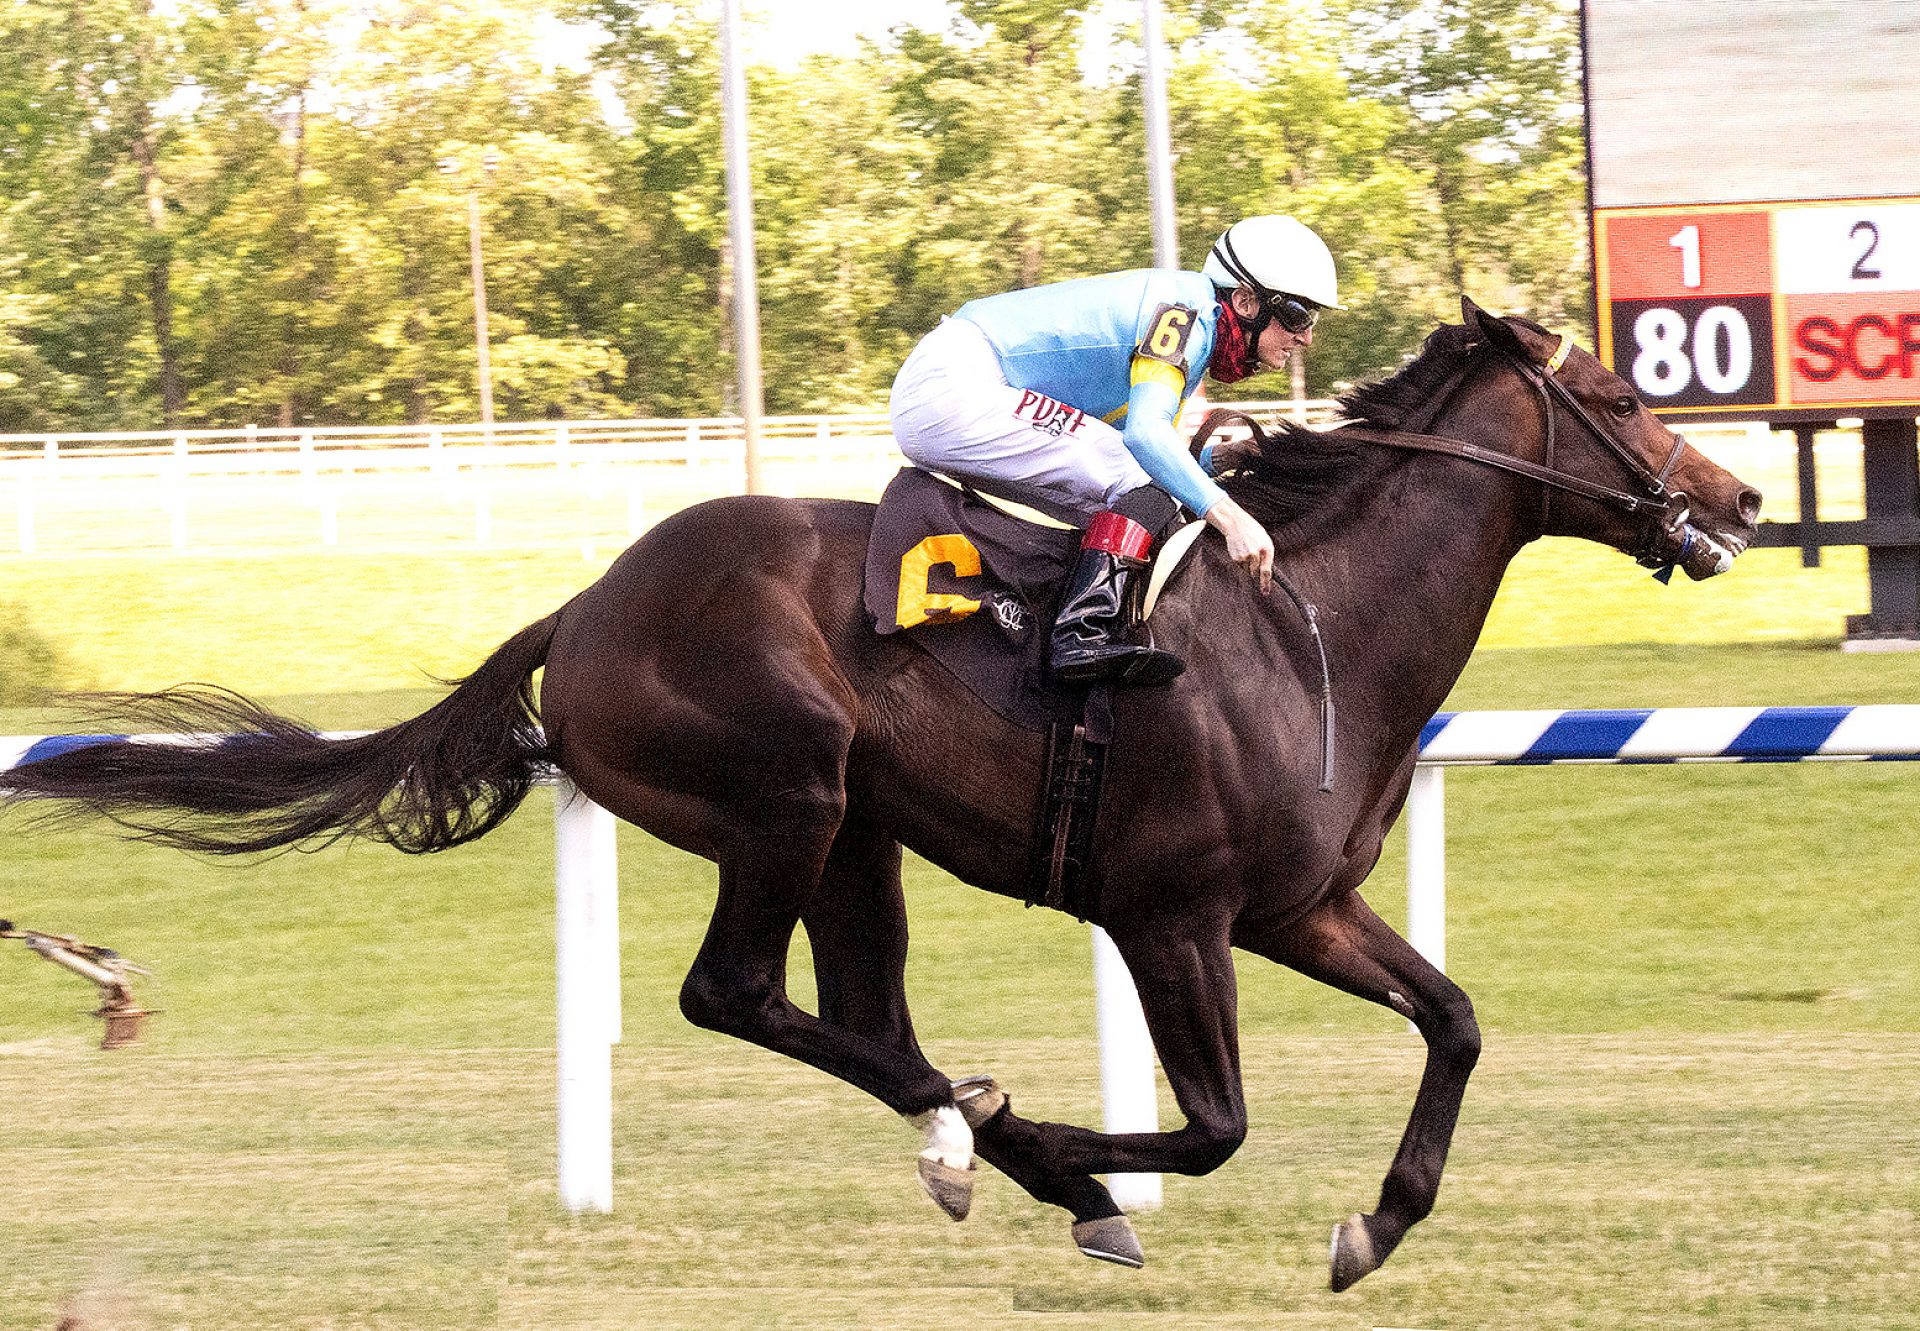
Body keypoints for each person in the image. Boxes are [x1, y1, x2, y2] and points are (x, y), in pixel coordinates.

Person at [888, 214, 1341, 686]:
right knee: (1148, 488)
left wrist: (1212, 462)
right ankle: (1079, 635)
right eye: (1298, 315)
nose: (1307, 336)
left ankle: (1071, 628)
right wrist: (1231, 518)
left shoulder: (1190, 318)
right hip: (955, 383)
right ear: (1245, 301)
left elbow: (1136, 447)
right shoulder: (1183, 315)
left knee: (1150, 501)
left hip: (957, 381)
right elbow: (1144, 439)